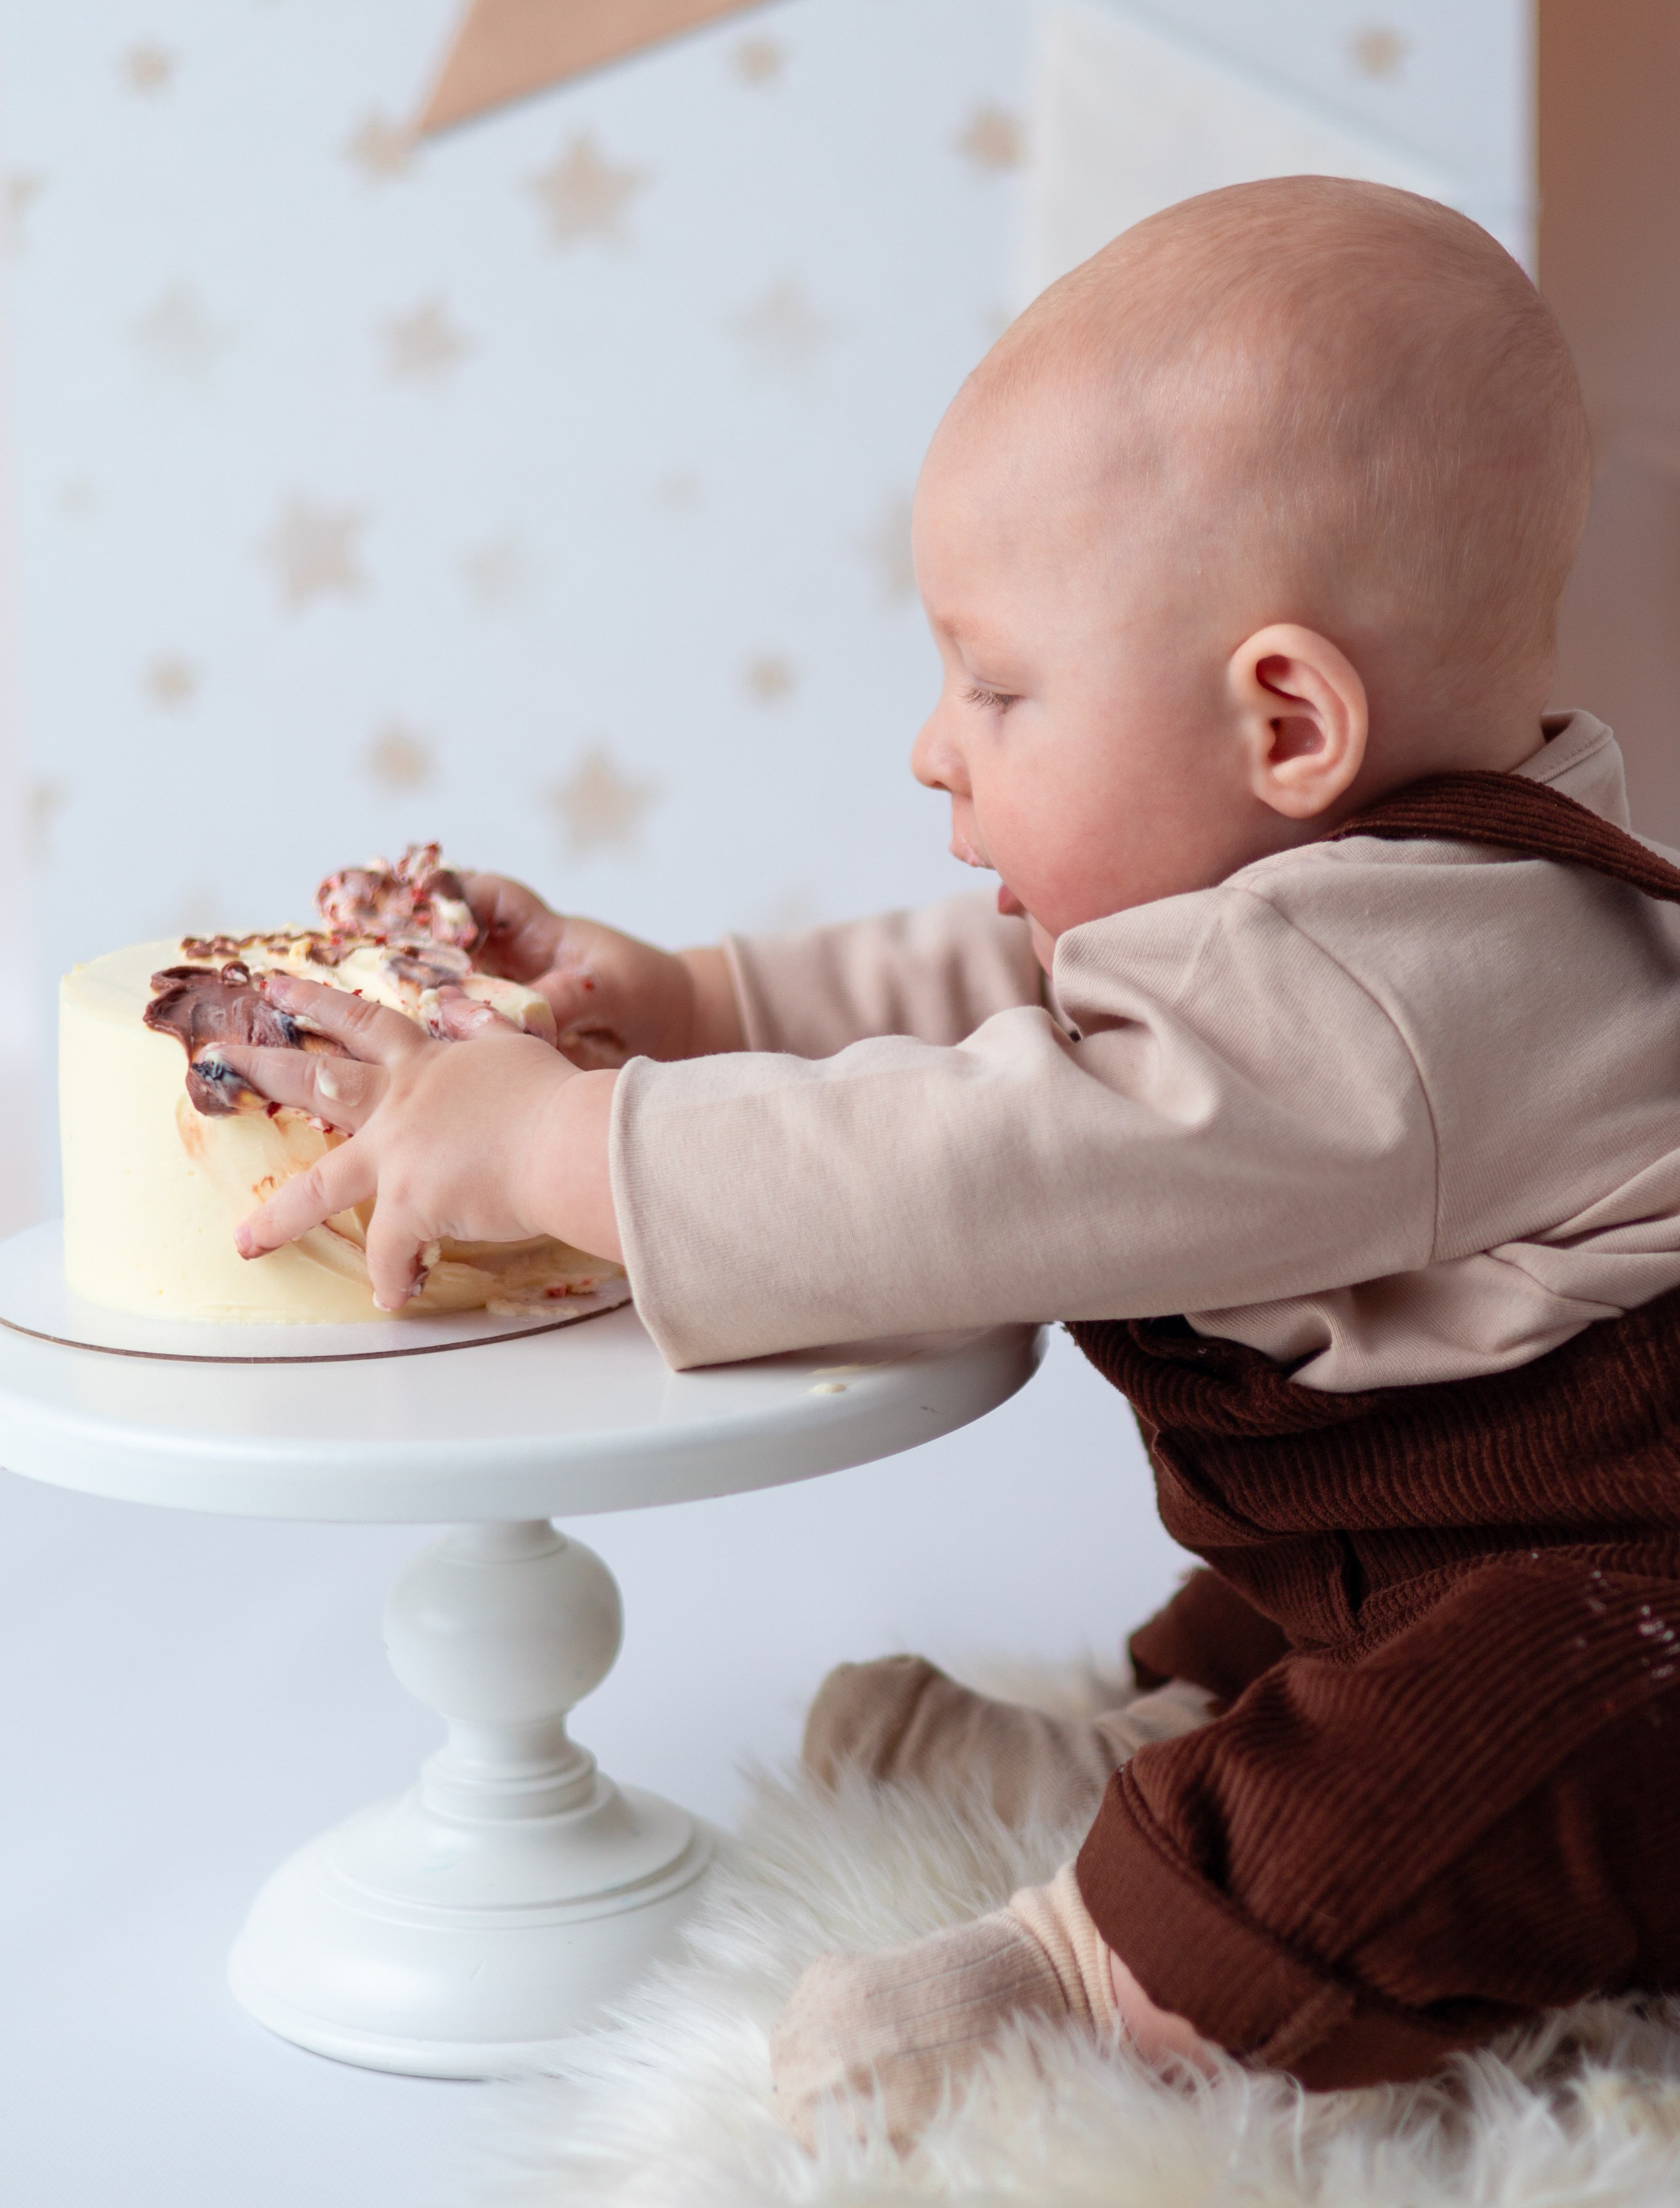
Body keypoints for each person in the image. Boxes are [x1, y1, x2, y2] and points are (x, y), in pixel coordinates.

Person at [206, 177, 1680, 2144]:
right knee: (1351, 1606)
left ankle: (1101, 1959)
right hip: (1454, 1541)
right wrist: (701, 1002)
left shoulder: (1411, 1003)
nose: (932, 746)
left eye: (995, 688)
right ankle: (1178, 1743)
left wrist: (567, 1148)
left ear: (1284, 720)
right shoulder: (1334, 910)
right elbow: (1029, 991)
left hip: (1641, 1590)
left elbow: (986, 1160)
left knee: (1501, 1727)